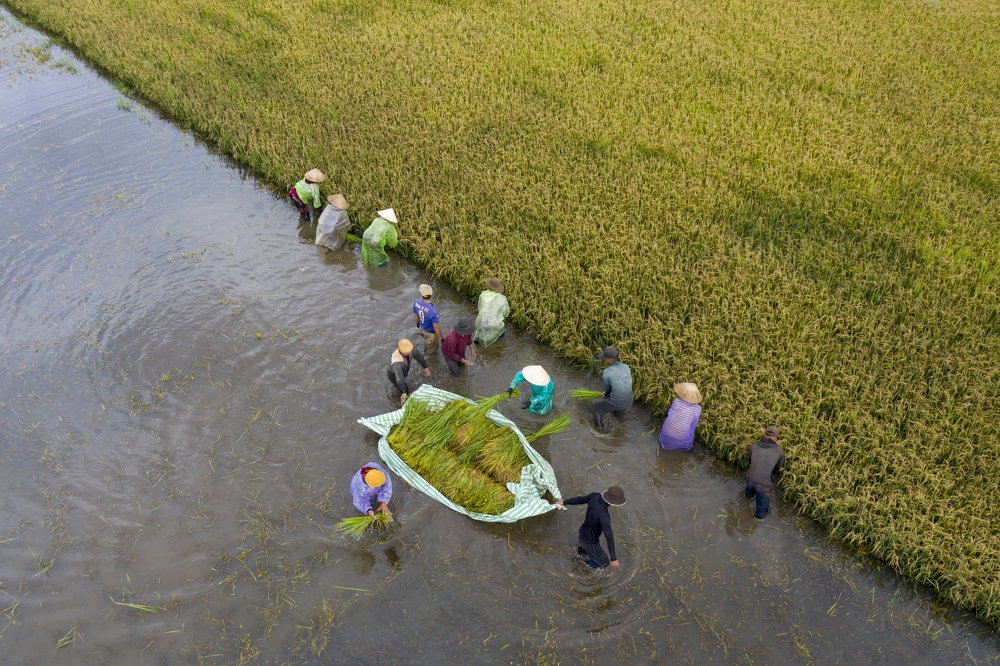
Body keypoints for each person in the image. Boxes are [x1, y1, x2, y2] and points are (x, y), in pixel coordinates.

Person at [556, 486, 625, 570]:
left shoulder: (595, 496)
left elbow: (579, 500)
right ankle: (585, 562)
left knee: (585, 549)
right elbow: (609, 537)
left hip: (582, 532)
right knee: (604, 563)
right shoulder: (605, 517)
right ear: (615, 503)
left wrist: (564, 501)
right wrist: (614, 559)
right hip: (590, 542)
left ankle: (581, 551)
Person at [745, 425, 785, 520]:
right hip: (763, 485)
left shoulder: (753, 446)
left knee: (748, 497)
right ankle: (757, 522)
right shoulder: (780, 452)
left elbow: (749, 462)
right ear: (776, 438)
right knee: (761, 512)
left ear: (764, 435)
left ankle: (748, 497)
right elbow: (776, 470)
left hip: (749, 479)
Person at [592, 347, 633, 430]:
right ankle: (619, 422)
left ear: (610, 360)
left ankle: (600, 431)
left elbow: (608, 391)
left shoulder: (607, 372)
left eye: (605, 359)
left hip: (618, 402)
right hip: (629, 400)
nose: (604, 360)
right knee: (617, 414)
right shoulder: (626, 367)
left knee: (597, 408)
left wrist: (604, 395)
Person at [658, 383, 703, 451]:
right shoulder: (698, 408)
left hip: (666, 433)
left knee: (667, 421)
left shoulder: (676, 401)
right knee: (688, 441)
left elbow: (671, 414)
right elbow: (693, 425)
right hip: (681, 438)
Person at [386, 339, 430, 405]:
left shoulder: (410, 348)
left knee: (404, 378)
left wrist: (425, 367)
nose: (410, 352)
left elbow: (418, 356)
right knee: (405, 389)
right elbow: (399, 379)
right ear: (401, 352)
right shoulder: (396, 363)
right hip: (394, 375)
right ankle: (403, 398)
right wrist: (404, 392)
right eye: (407, 352)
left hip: (403, 369)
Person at [474, 277, 509, 348]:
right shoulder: (503, 298)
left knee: (479, 343)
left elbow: (480, 309)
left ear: (488, 286)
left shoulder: (482, 295)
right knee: (499, 344)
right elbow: (506, 313)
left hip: (482, 323)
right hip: (495, 325)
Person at [412, 284, 443, 354]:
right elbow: (436, 328)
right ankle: (429, 358)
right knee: (432, 351)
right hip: (431, 333)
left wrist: (417, 324)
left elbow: (416, 316)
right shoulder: (433, 311)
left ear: (422, 294)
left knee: (427, 342)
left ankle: (426, 349)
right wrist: (441, 338)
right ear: (431, 295)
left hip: (422, 329)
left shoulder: (416, 303)